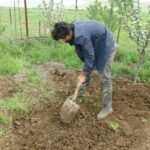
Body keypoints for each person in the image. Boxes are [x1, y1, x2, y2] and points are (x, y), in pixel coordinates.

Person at [51, 19, 117, 120]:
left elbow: (90, 57)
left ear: (68, 34)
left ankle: (107, 107)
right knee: (86, 67)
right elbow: (88, 57)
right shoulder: (72, 28)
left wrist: (82, 74)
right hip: (95, 44)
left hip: (106, 46)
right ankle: (82, 91)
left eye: (62, 39)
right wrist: (84, 71)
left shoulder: (81, 36)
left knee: (104, 77)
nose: (63, 42)